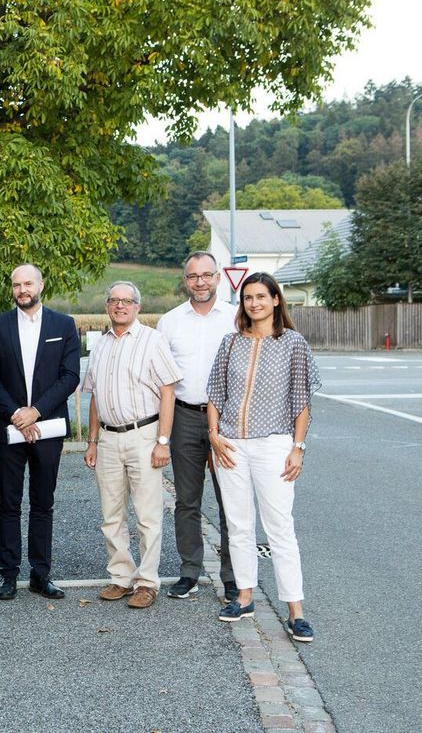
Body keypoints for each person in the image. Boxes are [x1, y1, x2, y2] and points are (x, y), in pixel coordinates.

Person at [207, 272, 320, 644]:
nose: (253, 303)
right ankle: (244, 598)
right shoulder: (230, 342)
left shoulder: (293, 343)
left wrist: (298, 448)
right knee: (238, 524)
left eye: (260, 296)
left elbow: (301, 401)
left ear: (275, 300)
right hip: (231, 446)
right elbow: (216, 394)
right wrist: (214, 435)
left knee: (280, 527)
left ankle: (296, 612)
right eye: (247, 297)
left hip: (274, 444)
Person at [83, 282, 182, 610]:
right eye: (114, 300)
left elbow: (168, 391)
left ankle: (147, 582)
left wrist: (163, 441)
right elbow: (96, 396)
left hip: (144, 435)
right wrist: (92, 441)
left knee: (147, 514)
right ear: (107, 306)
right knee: (111, 514)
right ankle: (121, 576)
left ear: (137, 307)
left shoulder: (152, 340)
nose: (120, 306)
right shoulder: (100, 345)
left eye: (127, 301)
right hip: (108, 438)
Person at [0, 264, 80, 601]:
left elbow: (70, 376)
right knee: (8, 504)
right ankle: (9, 576)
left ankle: (41, 575)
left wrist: (35, 412)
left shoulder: (63, 325)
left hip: (47, 428)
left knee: (43, 504)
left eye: (28, 283)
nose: (22, 290)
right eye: (16, 285)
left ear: (41, 284)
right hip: (8, 428)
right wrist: (16, 414)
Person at [155, 252, 238, 602]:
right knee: (187, 500)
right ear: (185, 280)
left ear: (217, 277)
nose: (200, 282)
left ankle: (233, 575)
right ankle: (189, 571)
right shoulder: (170, 322)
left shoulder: (236, 317)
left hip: (229, 420)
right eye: (193, 276)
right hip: (185, 417)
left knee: (231, 500)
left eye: (206, 275)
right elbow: (160, 378)